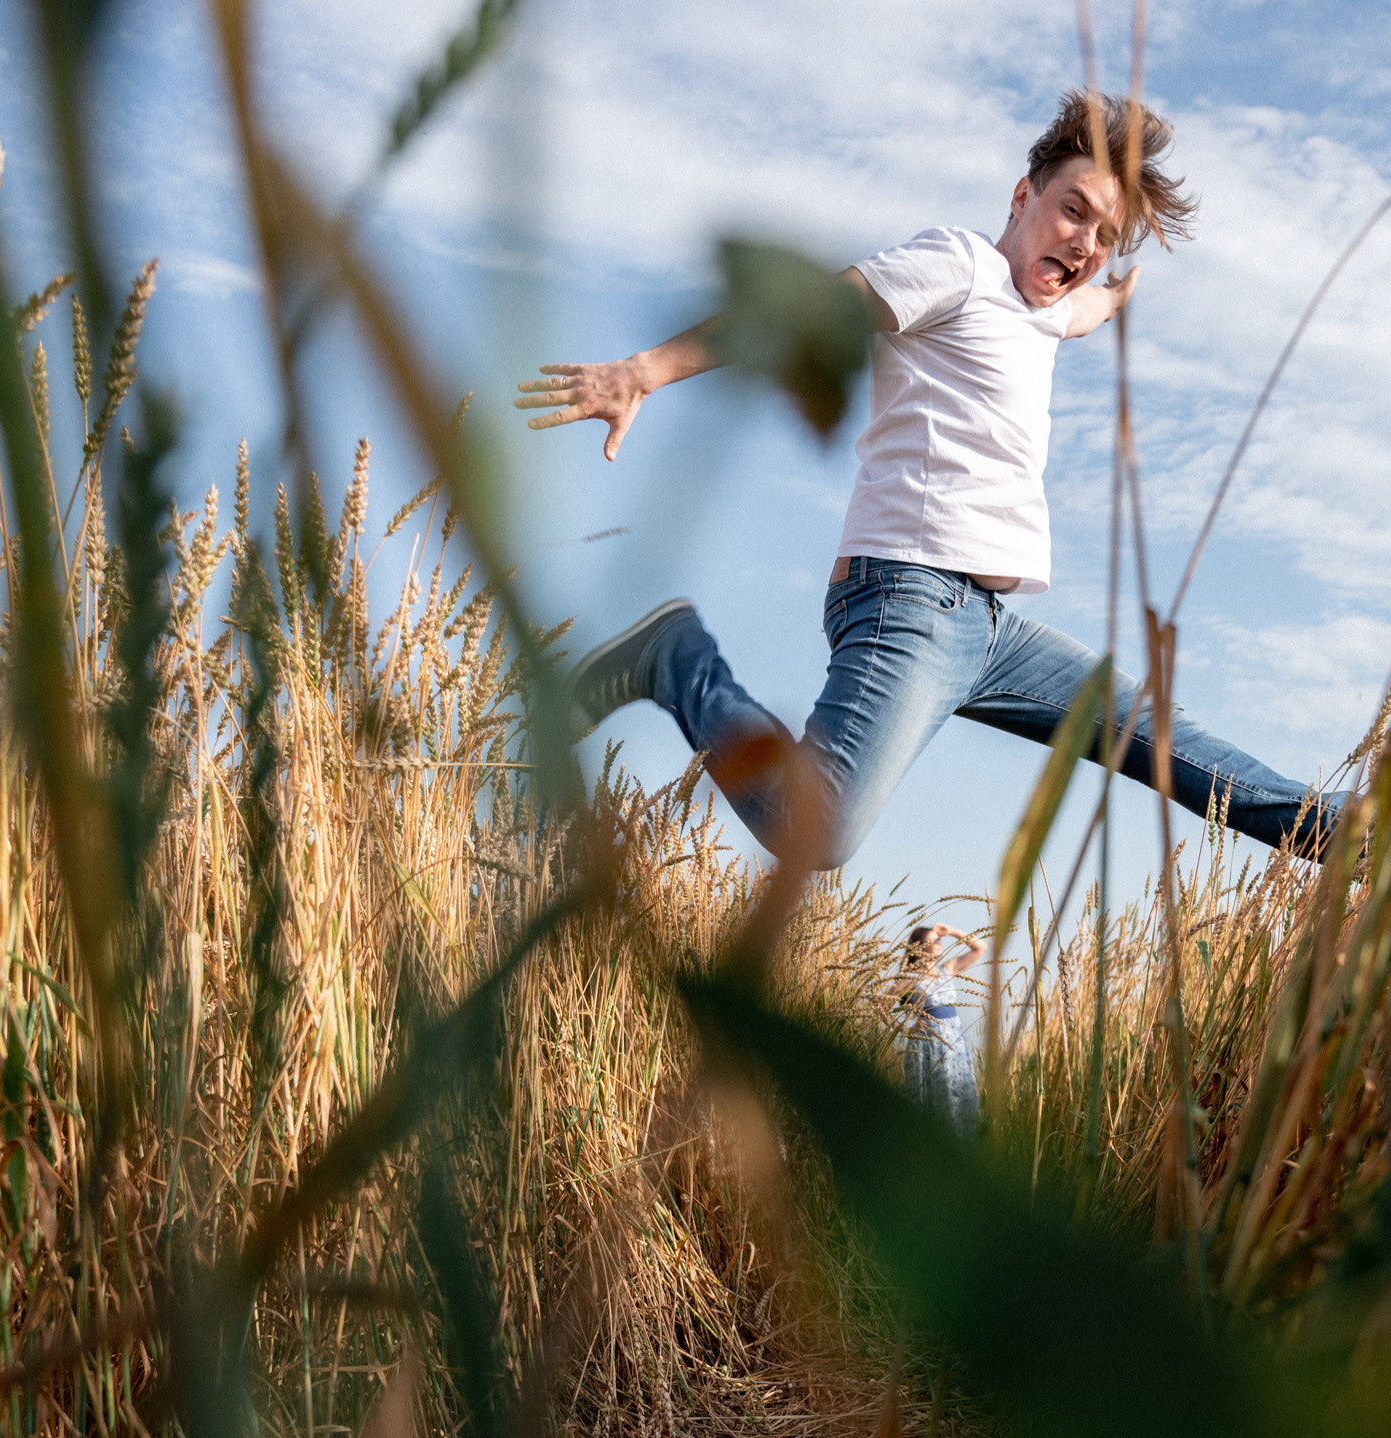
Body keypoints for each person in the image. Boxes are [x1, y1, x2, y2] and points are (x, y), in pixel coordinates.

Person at [517, 91, 1342, 871]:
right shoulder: (957, 266)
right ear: (1023, 196)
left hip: (991, 631)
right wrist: (646, 370)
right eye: (1073, 210)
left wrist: (1120, 290)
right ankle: (675, 657)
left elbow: (1081, 312)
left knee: (1164, 740)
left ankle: (1352, 835)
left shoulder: (1047, 310)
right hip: (907, 597)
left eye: (1105, 234)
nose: (1085, 242)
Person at [897, 923, 984, 1134]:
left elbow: (980, 947)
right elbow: (879, 1005)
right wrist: (907, 1030)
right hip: (928, 1046)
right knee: (935, 1100)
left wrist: (953, 931)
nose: (939, 944)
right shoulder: (910, 978)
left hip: (955, 1044)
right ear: (919, 948)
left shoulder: (947, 969)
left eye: (939, 940)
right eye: (933, 941)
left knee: (961, 1094)